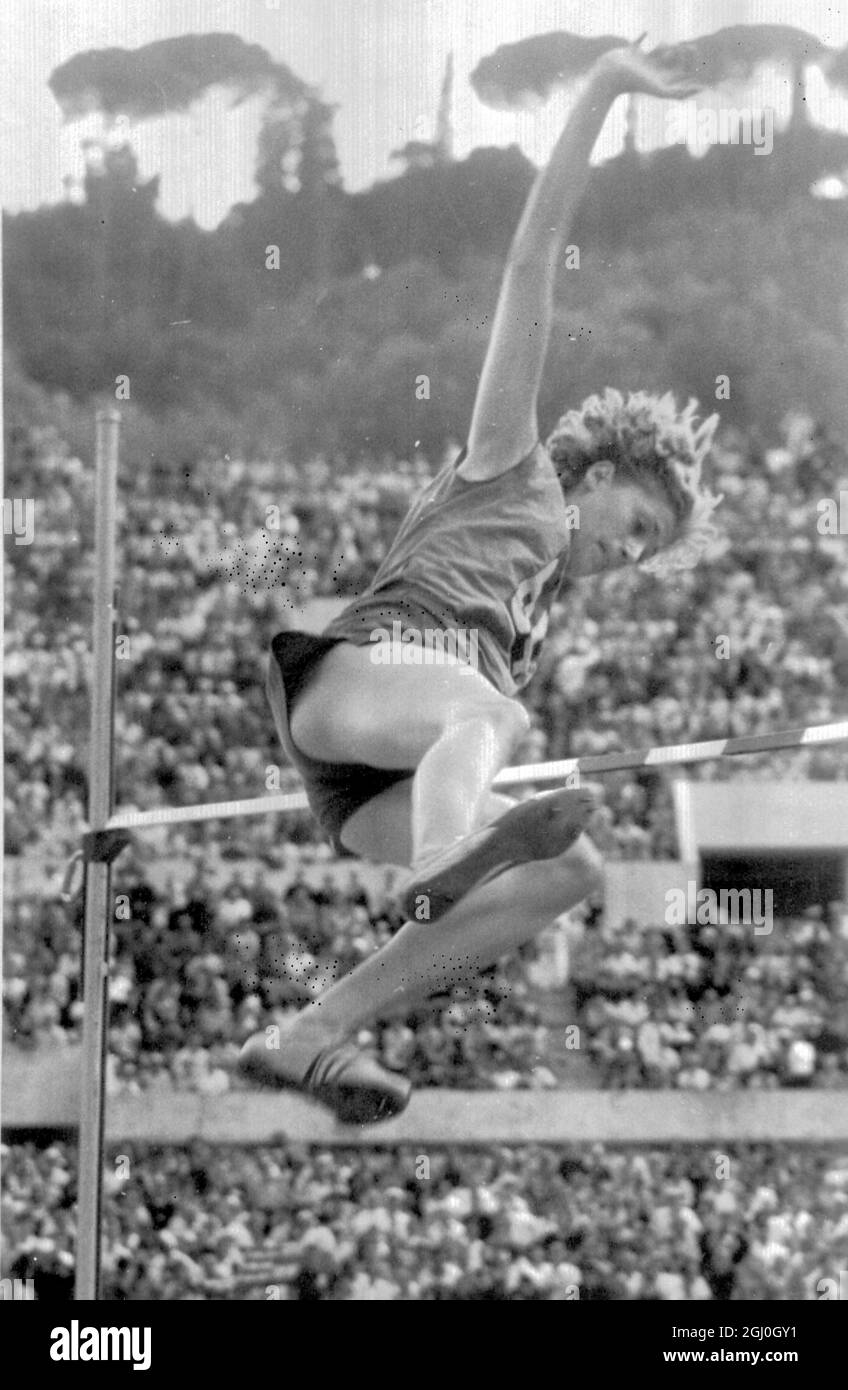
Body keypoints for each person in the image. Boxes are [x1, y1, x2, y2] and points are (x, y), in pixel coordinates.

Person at [240, 40, 721, 1122]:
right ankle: (445, 854)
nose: (632, 555)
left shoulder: (543, 596)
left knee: (569, 874)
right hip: (357, 682)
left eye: (651, 550)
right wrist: (598, 93)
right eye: (635, 524)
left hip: (378, 779)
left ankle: (313, 1031)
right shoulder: (512, 460)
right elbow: (529, 261)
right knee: (485, 708)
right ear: (595, 473)